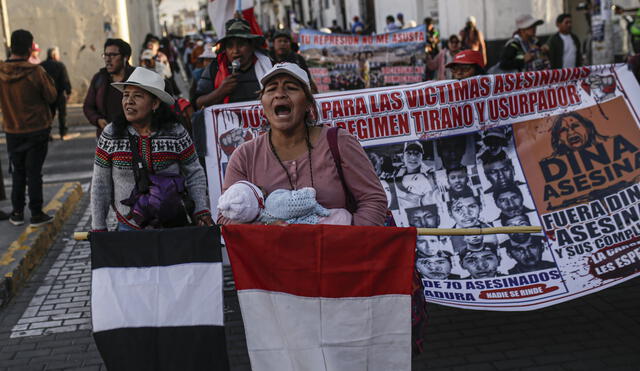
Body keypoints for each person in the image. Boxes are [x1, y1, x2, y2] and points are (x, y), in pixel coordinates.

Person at [218, 62, 387, 226]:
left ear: (308, 103)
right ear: (263, 104)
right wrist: (265, 231)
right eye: (271, 89)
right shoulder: (245, 155)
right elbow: (225, 216)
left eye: (291, 88)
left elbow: (373, 200)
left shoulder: (340, 142)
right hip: (271, 253)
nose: (280, 94)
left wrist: (349, 242)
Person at [90, 68, 211, 232]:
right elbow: (100, 184)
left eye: (137, 96)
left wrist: (201, 210)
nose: (129, 101)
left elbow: (194, 172)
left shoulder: (176, 132)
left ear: (155, 103)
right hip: (129, 228)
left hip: (173, 226)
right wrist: (98, 227)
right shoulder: (111, 135)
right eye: (126, 95)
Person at [0, 29, 57, 226]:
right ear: (30, 48)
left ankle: (16, 213)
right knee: (34, 173)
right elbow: (51, 95)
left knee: (18, 171)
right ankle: (36, 212)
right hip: (36, 129)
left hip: (12, 129)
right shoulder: (36, 72)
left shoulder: (1, 71)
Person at [195, 18, 272, 109]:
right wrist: (220, 91)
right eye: (230, 46)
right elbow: (197, 103)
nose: (235, 51)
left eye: (241, 44)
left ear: (251, 46)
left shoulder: (269, 67)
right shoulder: (214, 68)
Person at [83, 38, 135, 137]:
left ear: (125, 57)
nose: (107, 59)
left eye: (112, 55)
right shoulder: (99, 78)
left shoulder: (136, 78)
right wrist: (97, 120)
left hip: (133, 137)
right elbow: (88, 106)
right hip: (106, 138)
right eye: (105, 55)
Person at [269, 29, 318, 93]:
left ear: (290, 44)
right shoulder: (267, 59)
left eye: (285, 41)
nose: (282, 44)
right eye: (279, 41)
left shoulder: (298, 59)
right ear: (273, 43)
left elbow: (308, 80)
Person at [40, 47, 72, 139]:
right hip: (59, 94)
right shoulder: (60, 65)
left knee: (48, 115)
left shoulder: (41, 66)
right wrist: (68, 92)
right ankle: (63, 133)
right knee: (62, 114)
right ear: (54, 55)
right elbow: (65, 80)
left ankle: (47, 134)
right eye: (58, 54)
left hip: (46, 95)